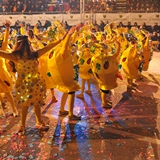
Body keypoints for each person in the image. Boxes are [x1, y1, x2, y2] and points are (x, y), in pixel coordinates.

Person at [0, 20, 62, 135]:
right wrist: (60, 40)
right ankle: (26, 125)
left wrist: (60, 40)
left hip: (30, 83)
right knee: (29, 105)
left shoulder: (25, 55)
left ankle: (35, 123)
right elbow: (1, 52)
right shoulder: (21, 56)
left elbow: (48, 47)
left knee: (33, 104)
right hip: (29, 84)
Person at [0, 20, 18, 117]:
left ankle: (14, 109)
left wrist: (7, 29)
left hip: (3, 75)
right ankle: (1, 109)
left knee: (8, 93)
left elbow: (5, 41)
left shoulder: (1, 51)